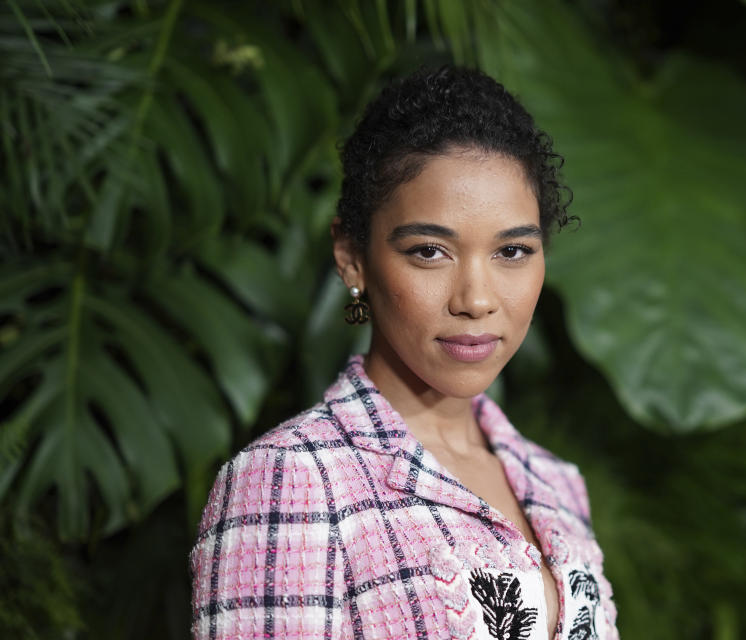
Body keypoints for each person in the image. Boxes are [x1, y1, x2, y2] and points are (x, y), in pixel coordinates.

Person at [190, 66, 619, 640]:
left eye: (513, 250)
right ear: (353, 257)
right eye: (429, 252)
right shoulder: (293, 481)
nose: (476, 299)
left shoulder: (555, 483)